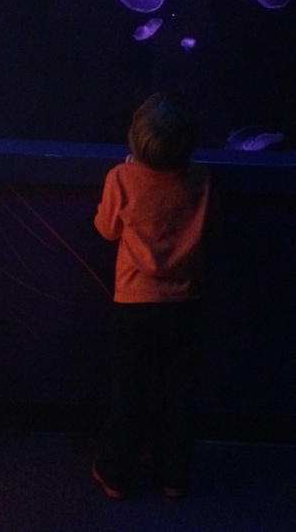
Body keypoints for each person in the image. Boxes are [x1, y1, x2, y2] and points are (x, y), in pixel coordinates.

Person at [91, 93, 222, 499]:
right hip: (185, 305)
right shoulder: (201, 181)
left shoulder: (120, 179)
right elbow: (211, 230)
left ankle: (116, 476)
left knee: (129, 391)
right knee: (179, 393)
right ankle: (173, 476)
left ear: (134, 139)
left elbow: (107, 228)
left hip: (132, 303)